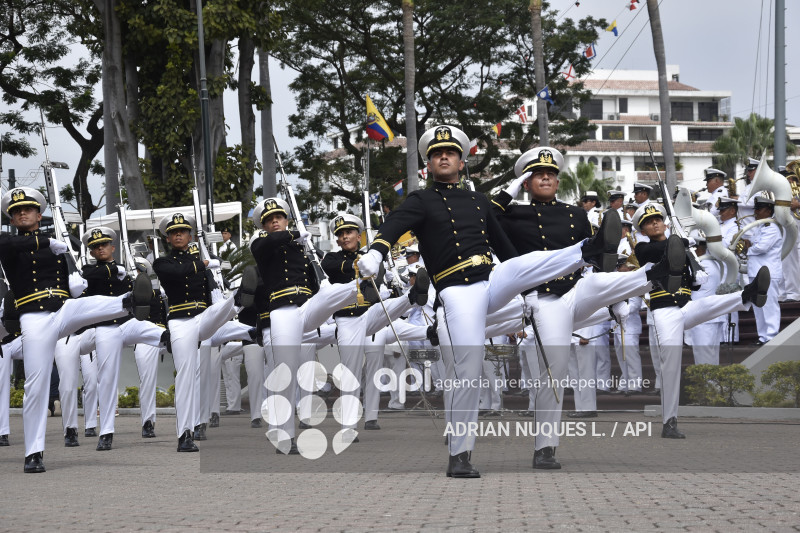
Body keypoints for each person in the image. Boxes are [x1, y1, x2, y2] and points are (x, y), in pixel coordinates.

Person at [357, 126, 628, 478]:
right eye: (437, 153)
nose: (444, 156)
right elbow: (394, 224)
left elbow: (506, 250)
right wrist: (377, 251)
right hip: (457, 286)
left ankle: (588, 250)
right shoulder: (419, 200)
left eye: (450, 152)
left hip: (491, 279)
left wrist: (527, 286)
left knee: (520, 264)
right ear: (428, 163)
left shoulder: (478, 201)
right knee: (468, 367)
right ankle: (461, 453)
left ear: (461, 160)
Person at [492, 147, 683, 468]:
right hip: (543, 296)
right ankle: (545, 447)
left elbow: (596, 268)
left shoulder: (575, 214)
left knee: (599, 282)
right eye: (538, 174)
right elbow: (488, 214)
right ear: (526, 181)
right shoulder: (511, 216)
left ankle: (656, 273)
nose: (546, 178)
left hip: (576, 288)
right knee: (554, 369)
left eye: (551, 174)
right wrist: (511, 189)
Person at [0, 187, 152, 473]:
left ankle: (130, 301)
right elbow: (10, 246)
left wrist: (72, 275)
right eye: (16, 211)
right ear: (11, 217)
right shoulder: (10, 245)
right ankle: (34, 452)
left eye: (28, 209)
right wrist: (46, 241)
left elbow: (73, 285)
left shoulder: (58, 250)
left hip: (62, 308)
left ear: (38, 213)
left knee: (89, 304)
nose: (22, 213)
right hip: (34, 316)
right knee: (36, 383)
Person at [633, 202, 770, 438]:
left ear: (665, 223)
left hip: (686, 307)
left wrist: (696, 271)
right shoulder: (644, 248)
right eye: (648, 222)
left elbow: (695, 283)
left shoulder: (681, 249)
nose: (654, 223)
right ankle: (669, 422)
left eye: (657, 219)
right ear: (643, 230)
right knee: (671, 364)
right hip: (664, 311)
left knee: (710, 303)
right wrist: (682, 243)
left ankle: (749, 294)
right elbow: (660, 252)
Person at [251, 198, 357, 455]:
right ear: (264, 226)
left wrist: (315, 253)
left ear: (286, 219)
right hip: (283, 311)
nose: (275, 221)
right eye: (269, 219)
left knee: (337, 291)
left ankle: (362, 288)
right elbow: (274, 241)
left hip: (308, 306)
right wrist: (296, 232)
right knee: (285, 372)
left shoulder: (303, 247)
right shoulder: (261, 244)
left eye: (279, 217)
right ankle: (285, 435)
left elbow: (329, 266)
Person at [153, 212, 254, 453]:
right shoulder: (162, 263)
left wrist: (213, 277)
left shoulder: (203, 268)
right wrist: (204, 263)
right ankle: (185, 434)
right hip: (180, 320)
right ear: (168, 238)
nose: (178, 235)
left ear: (189, 236)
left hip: (204, 317)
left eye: (183, 232)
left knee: (220, 309)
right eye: (174, 232)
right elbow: (178, 273)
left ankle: (238, 301)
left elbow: (212, 294)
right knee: (186, 375)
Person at [78, 226, 169, 451]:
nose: (100, 249)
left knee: (152, 329)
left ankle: (171, 339)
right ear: (91, 252)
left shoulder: (125, 273)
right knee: (107, 379)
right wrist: (113, 270)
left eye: (104, 245)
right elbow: (87, 278)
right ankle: (106, 431)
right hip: (106, 328)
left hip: (127, 324)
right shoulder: (90, 272)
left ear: (112, 248)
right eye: (95, 247)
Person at [739, 197, 783, 344]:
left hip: (768, 273)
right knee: (759, 307)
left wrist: (748, 247)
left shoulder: (771, 228)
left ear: (768, 211)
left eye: (759, 209)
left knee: (769, 306)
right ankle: (763, 337)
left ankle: (771, 336)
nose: (756, 212)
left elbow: (762, 248)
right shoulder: (760, 227)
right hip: (756, 272)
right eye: (755, 209)